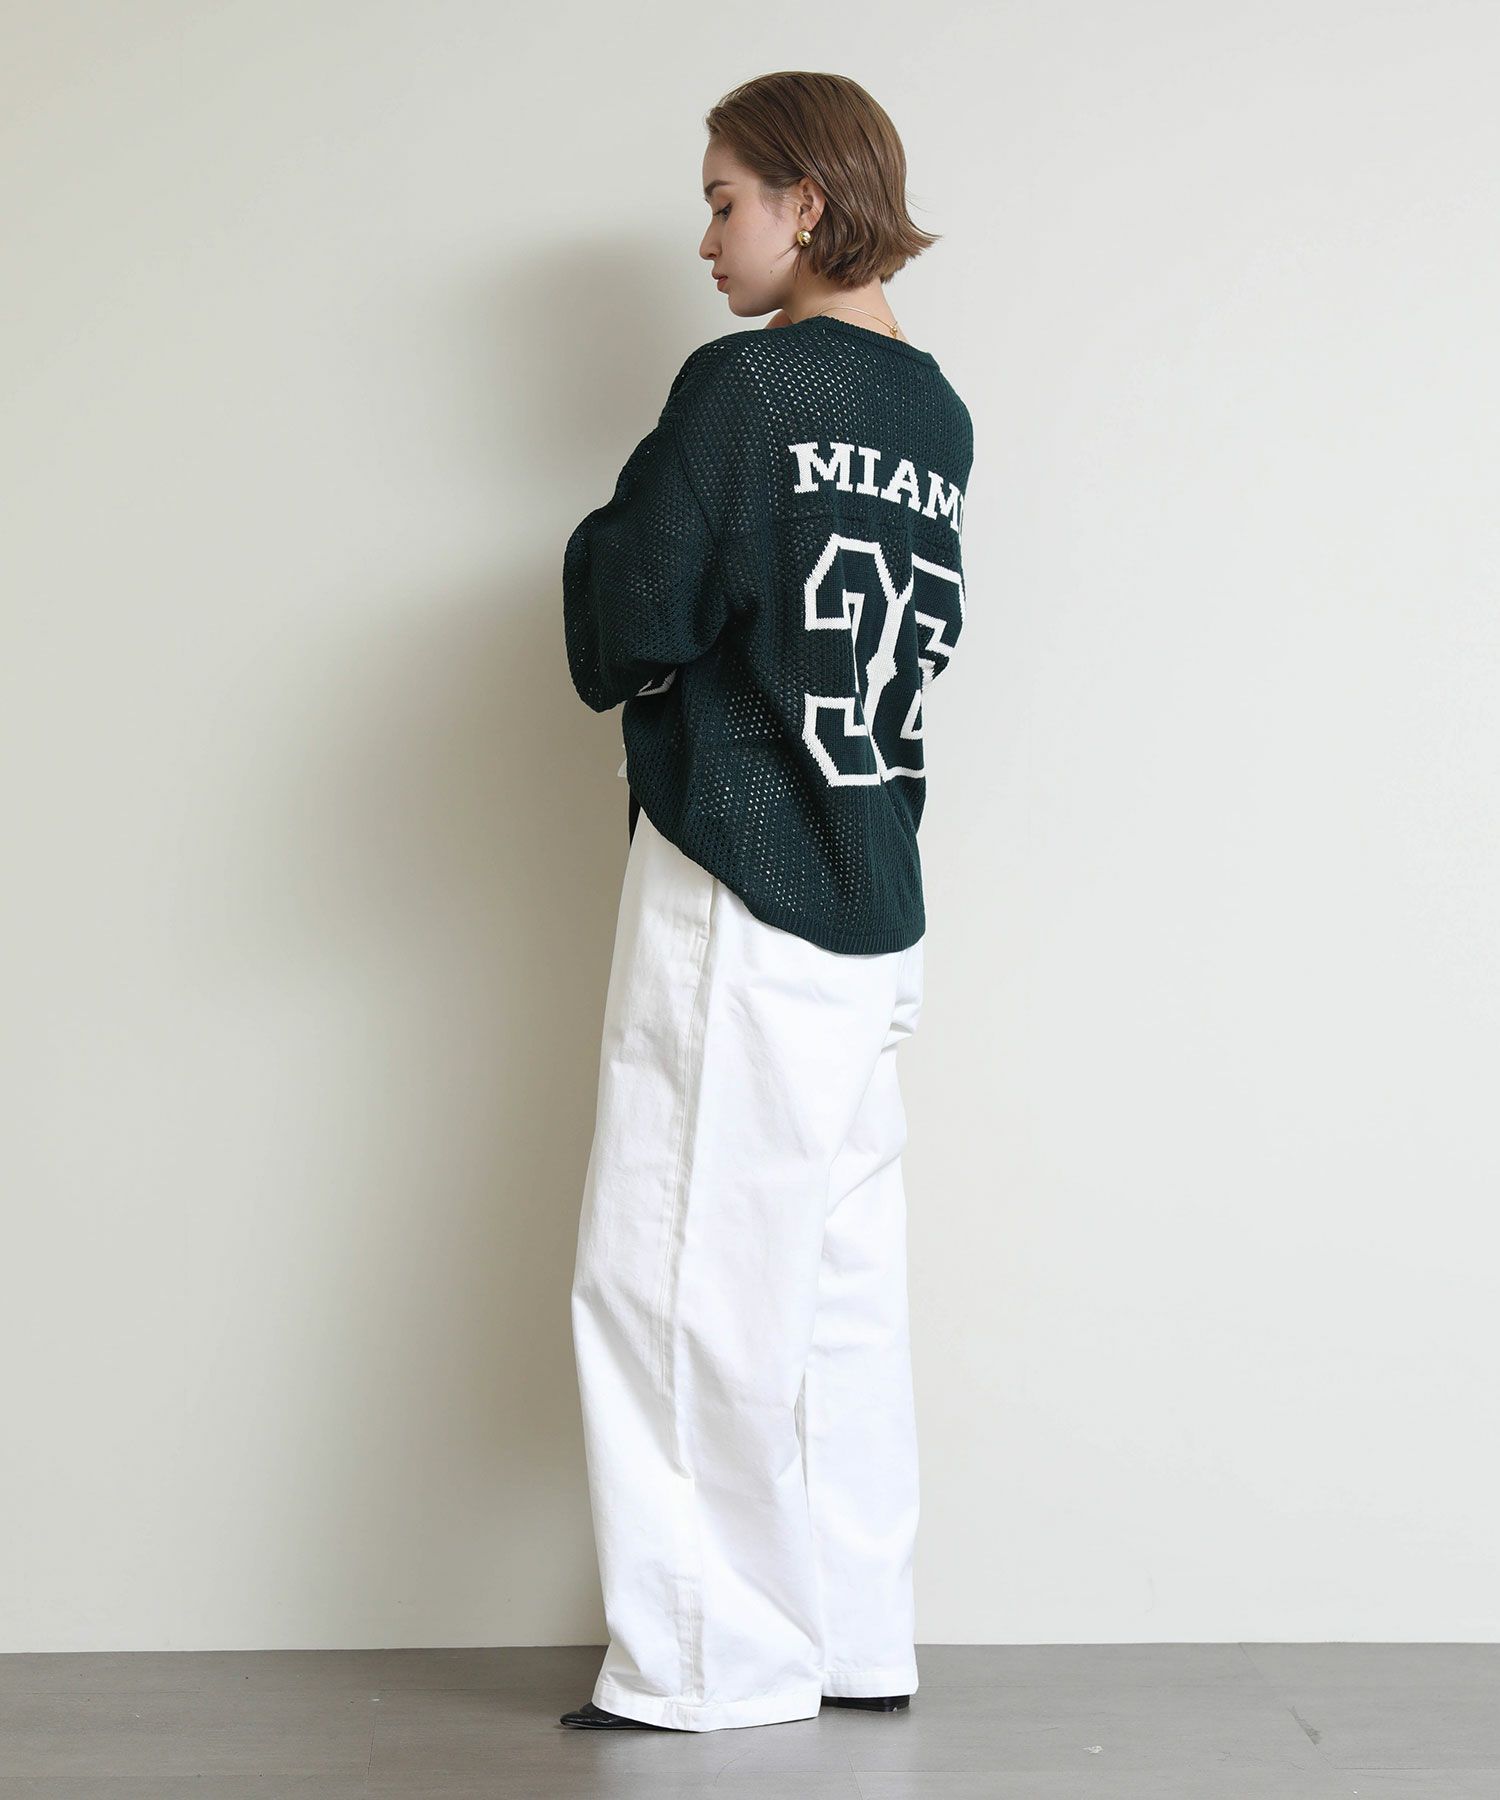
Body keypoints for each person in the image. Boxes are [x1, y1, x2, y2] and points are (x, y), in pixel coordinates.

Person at [559, 70, 974, 1734]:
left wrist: (608, 553)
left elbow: (632, 613)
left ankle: (706, 1659)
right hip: (875, 890)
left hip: (742, 875)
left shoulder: (745, 387)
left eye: (726, 199)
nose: (707, 236)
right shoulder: (936, 414)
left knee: (671, 1283)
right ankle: (857, 1637)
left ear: (808, 201)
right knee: (837, 1294)